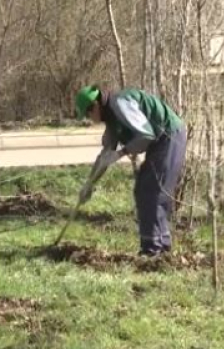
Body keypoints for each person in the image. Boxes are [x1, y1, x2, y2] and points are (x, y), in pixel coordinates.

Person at [75, 85, 187, 257]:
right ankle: (160, 247)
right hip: (161, 141)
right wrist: (89, 184)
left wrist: (121, 153)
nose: (90, 119)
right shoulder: (111, 118)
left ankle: (153, 250)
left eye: (88, 115)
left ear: (95, 106)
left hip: (170, 135)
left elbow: (146, 135)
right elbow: (104, 155)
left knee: (151, 191)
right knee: (145, 188)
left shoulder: (120, 104)